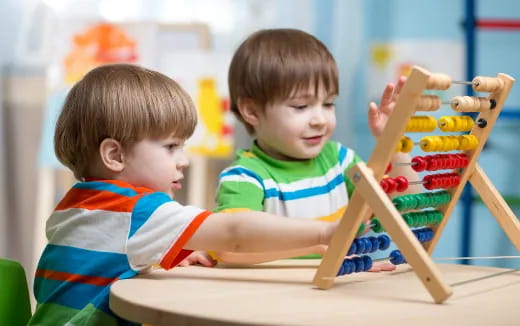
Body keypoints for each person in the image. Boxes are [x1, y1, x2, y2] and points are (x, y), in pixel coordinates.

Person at [28, 64, 339, 326]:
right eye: (171, 147)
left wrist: (174, 249)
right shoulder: (137, 210)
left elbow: (111, 258)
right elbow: (234, 231)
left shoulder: (76, 204)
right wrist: (324, 232)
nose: (184, 160)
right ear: (115, 155)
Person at [209, 28, 421, 266]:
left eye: (328, 103)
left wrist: (394, 143)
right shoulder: (245, 179)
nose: (320, 119)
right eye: (300, 106)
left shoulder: (340, 162)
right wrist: (318, 248)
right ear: (252, 111)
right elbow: (229, 249)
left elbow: (403, 209)